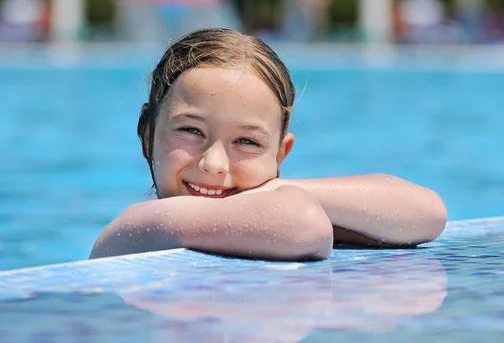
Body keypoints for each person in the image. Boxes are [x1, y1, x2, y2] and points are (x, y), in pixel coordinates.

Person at [89, 28, 447, 261]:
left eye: (245, 141)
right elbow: (306, 227)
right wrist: (271, 190)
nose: (214, 164)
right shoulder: (140, 226)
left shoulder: (263, 206)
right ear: (148, 134)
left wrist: (276, 187)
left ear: (280, 153)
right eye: (191, 131)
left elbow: (426, 214)